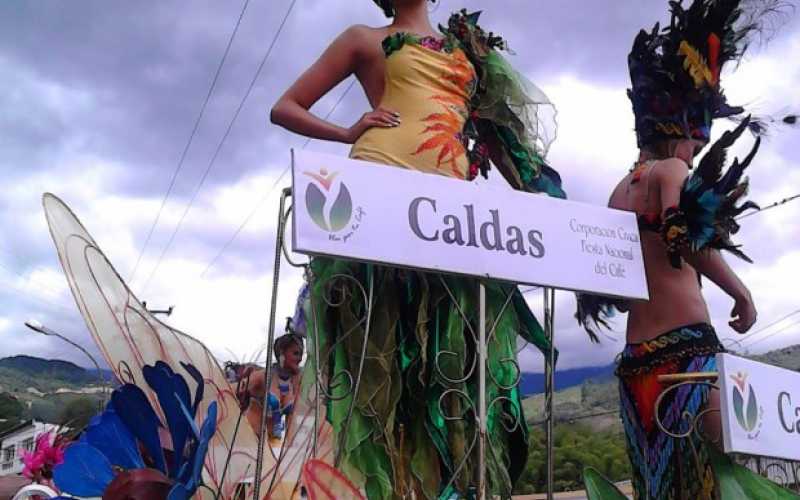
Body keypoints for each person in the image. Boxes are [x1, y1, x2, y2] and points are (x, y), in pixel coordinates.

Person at [271, 1, 564, 497]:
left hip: (450, 216)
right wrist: (346, 132)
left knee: (450, 372)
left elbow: (501, 133)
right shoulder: (364, 38)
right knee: (377, 374)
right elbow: (285, 108)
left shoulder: (466, 47)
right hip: (378, 195)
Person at [576, 1, 791, 498]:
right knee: (716, 474)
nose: (697, 154)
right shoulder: (670, 172)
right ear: (680, 133)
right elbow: (686, 238)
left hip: (636, 361)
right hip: (686, 350)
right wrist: (741, 292)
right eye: (697, 143)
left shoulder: (616, 191)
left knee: (661, 481)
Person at [236, 332, 305, 444]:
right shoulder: (263, 376)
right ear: (282, 353)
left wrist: (290, 448)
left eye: (301, 354)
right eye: (296, 353)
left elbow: (291, 420)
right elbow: (233, 391)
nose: (300, 358)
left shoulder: (296, 381)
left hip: (274, 441)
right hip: (249, 440)